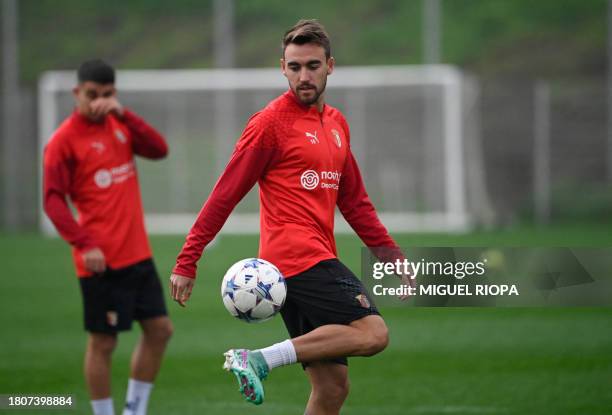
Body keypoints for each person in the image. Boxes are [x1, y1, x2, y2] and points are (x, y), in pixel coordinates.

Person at [170, 20, 412, 414]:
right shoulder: (269, 124)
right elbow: (225, 193)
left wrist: (392, 257)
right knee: (372, 332)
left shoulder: (336, 124)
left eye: (312, 66)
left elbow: (355, 203)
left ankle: (263, 359)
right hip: (297, 259)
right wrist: (188, 258)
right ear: (281, 67)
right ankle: (258, 359)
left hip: (306, 262)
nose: (303, 76)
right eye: (294, 67)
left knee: (332, 388)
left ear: (330, 66)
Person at [43, 59, 173, 415]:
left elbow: (159, 149)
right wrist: (84, 244)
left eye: (107, 94)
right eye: (92, 95)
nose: (99, 101)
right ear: (77, 93)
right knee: (103, 342)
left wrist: (125, 113)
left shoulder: (120, 124)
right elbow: (52, 201)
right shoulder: (63, 142)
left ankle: (134, 410)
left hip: (138, 254)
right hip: (101, 260)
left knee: (160, 330)